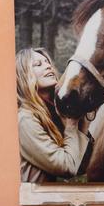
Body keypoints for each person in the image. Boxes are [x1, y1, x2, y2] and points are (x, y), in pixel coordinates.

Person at [16, 47, 91, 183]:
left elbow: (80, 167)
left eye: (47, 62)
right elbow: (67, 167)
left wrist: (84, 122)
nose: (48, 66)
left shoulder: (54, 111)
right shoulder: (25, 118)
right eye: (38, 64)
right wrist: (71, 125)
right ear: (24, 76)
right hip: (33, 200)